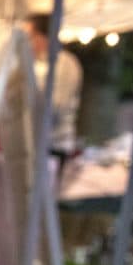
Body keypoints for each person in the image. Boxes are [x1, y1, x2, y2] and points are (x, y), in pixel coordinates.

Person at [22, 13, 83, 167]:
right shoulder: (32, 65)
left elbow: (56, 107)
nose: (27, 44)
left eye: (29, 37)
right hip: (32, 146)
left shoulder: (64, 64)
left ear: (41, 37)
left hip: (53, 147)